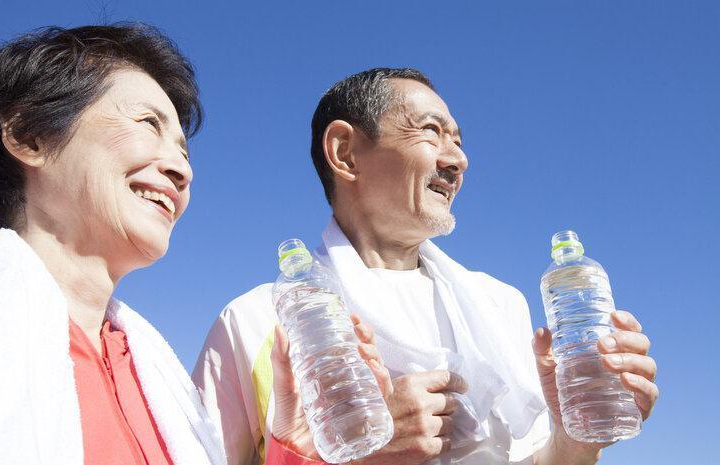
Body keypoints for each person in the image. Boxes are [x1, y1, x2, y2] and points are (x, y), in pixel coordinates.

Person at [193, 68, 659, 465]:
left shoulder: (499, 306)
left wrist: (574, 442)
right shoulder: (257, 323)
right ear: (345, 152)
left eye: (458, 140)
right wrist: (347, 454)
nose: (458, 159)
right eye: (431, 132)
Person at [0, 25, 390, 465]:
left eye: (184, 154)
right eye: (148, 124)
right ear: (28, 136)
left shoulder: (151, 374)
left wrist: (294, 451)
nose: (180, 172)